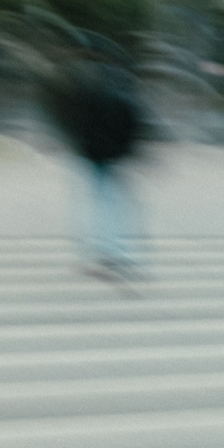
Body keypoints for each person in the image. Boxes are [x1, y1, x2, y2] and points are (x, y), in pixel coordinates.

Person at [43, 34, 148, 281]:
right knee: (114, 203)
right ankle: (118, 252)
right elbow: (134, 119)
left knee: (95, 203)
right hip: (114, 154)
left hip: (92, 152)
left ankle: (100, 255)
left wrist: (73, 142)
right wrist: (129, 150)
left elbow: (75, 117)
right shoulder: (123, 82)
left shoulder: (85, 81)